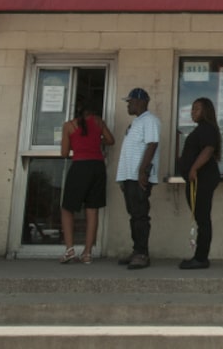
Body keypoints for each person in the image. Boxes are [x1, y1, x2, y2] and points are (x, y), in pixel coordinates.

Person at [59, 100, 115, 264]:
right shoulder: (98, 122)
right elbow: (111, 140)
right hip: (98, 167)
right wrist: (98, 141)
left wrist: (75, 145)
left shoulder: (69, 125)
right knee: (92, 210)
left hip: (80, 167)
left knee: (67, 208)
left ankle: (70, 250)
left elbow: (64, 152)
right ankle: (88, 253)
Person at [115, 88, 161, 270]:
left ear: (141, 102)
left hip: (139, 177)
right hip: (129, 177)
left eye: (131, 101)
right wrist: (123, 178)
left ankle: (142, 254)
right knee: (134, 216)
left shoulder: (150, 120)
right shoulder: (136, 122)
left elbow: (152, 144)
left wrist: (142, 172)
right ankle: (136, 250)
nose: (128, 104)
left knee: (140, 216)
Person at [178, 97, 222, 270]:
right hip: (197, 180)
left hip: (202, 180)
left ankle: (201, 258)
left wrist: (194, 168)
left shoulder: (207, 129)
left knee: (203, 220)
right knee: (200, 218)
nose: (192, 112)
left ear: (206, 111)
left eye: (197, 109)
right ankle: (199, 256)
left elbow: (208, 149)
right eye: (192, 108)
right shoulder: (200, 129)